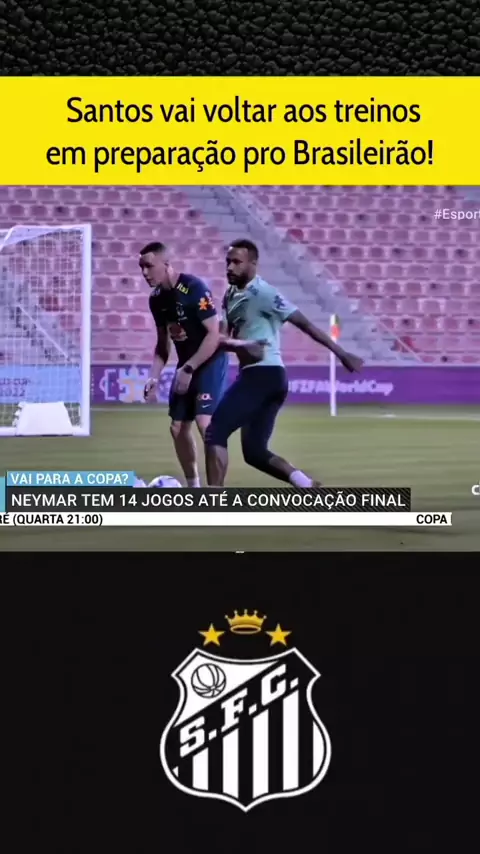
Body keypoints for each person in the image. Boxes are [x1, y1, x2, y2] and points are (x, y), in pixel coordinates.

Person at [205, 239, 364, 487]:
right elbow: (222, 339)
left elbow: (305, 324)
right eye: (228, 262)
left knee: (216, 432)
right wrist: (236, 346)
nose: (230, 267)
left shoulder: (265, 293)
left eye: (237, 262)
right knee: (254, 452)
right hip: (264, 378)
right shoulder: (230, 295)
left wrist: (341, 353)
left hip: (262, 375)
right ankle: (306, 484)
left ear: (253, 264)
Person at [140, 242, 263, 487]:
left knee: (204, 422)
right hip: (187, 364)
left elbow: (214, 334)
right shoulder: (156, 300)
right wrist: (154, 376)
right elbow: (162, 345)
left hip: (210, 360)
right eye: (141, 267)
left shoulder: (194, 288)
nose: (144, 273)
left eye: (149, 266)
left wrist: (189, 368)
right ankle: (193, 487)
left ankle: (215, 491)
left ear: (166, 264)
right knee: (177, 428)